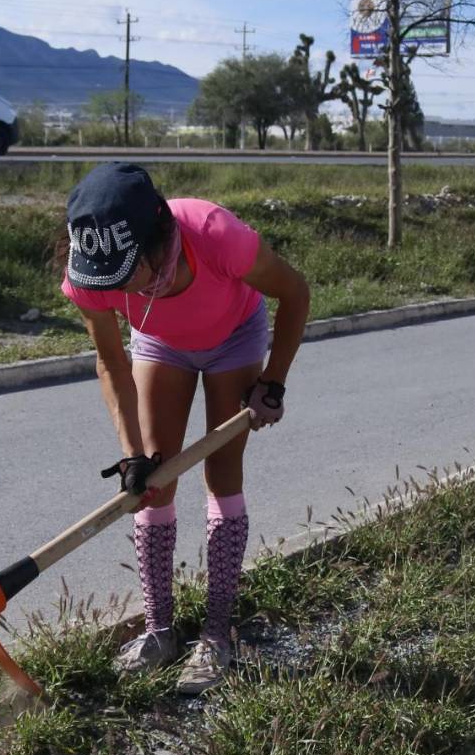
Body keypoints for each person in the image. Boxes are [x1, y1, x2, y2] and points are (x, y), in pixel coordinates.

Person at [61, 163, 310, 694]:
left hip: (233, 338)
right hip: (161, 344)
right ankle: (160, 631)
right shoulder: (90, 276)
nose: (116, 290)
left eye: (129, 276)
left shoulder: (217, 237)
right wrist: (132, 455)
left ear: (160, 241)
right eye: (106, 280)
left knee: (222, 475)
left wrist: (273, 382)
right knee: (153, 483)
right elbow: (111, 364)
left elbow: (295, 292)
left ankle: (217, 635)